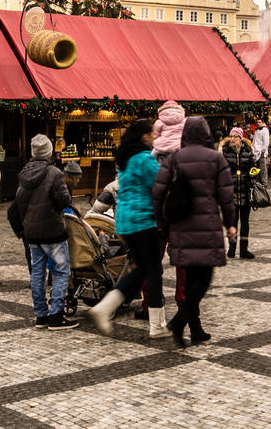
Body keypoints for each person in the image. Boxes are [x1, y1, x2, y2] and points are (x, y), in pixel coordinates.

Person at [152, 116, 237, 347]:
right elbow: (227, 196)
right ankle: (179, 323)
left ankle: (195, 329)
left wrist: (162, 222)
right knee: (204, 277)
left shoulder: (174, 158)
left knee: (190, 279)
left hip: (180, 226)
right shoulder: (216, 159)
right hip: (207, 225)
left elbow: (158, 192)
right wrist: (231, 223)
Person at [89, 119, 171, 338]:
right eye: (153, 133)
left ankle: (106, 307)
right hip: (142, 221)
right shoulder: (144, 159)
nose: (155, 136)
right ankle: (157, 325)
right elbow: (162, 184)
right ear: (144, 136)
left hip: (125, 222)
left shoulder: (125, 161)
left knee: (142, 269)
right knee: (153, 270)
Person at [13, 134, 78, 329]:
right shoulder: (54, 173)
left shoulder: (25, 172)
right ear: (49, 151)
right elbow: (64, 201)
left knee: (37, 273)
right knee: (61, 271)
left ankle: (41, 315)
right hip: (52, 230)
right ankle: (56, 315)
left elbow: (20, 202)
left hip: (31, 231)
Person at [220, 128, 257, 259]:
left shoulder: (248, 150)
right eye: (231, 136)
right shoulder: (225, 151)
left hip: (246, 191)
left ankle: (243, 249)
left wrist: (253, 174)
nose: (233, 138)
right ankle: (232, 248)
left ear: (241, 138)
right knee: (233, 221)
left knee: (245, 222)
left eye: (236, 136)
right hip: (231, 191)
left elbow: (254, 166)